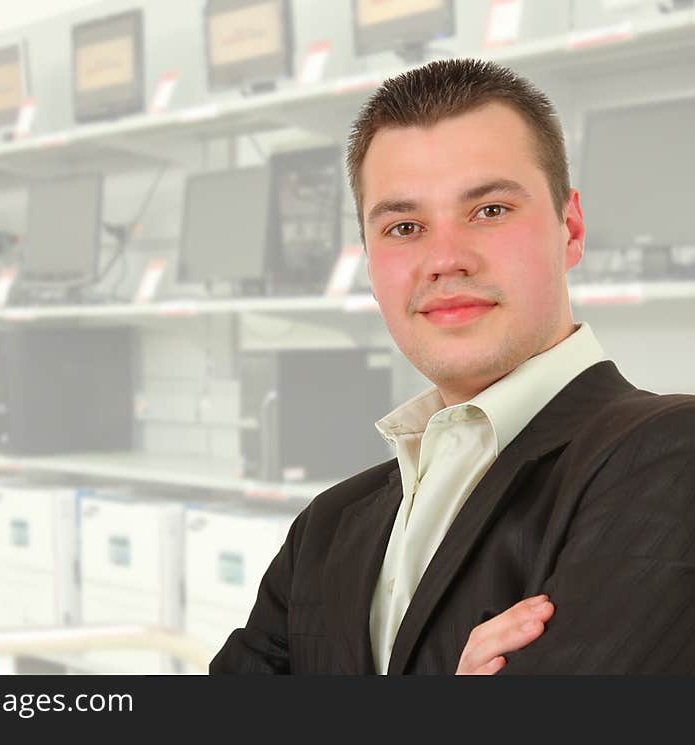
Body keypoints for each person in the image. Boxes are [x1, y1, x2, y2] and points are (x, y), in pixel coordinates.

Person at [209, 58, 695, 675]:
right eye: (404, 226)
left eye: (489, 210)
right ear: (370, 263)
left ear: (569, 229)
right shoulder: (327, 528)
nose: (444, 259)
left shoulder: (671, 455)